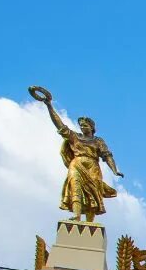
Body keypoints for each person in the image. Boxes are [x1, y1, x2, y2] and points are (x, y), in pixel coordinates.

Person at [29, 86, 122, 223]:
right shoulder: (75, 137)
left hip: (92, 166)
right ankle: (77, 216)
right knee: (75, 186)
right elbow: (60, 125)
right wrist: (49, 106)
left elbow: (107, 155)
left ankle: (90, 223)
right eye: (81, 125)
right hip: (77, 164)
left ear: (92, 127)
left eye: (85, 125)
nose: (83, 127)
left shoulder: (98, 141)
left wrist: (115, 170)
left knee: (93, 192)